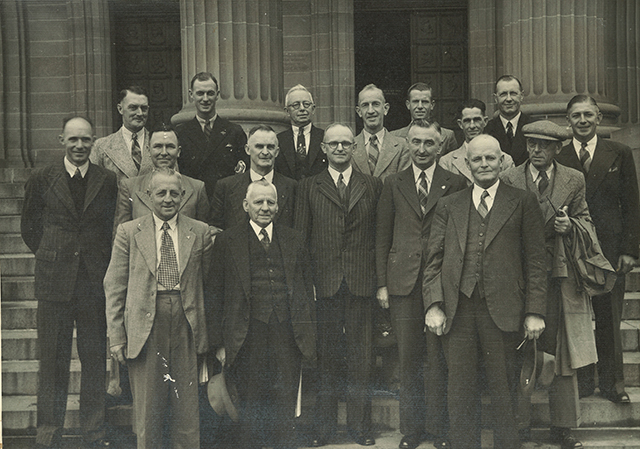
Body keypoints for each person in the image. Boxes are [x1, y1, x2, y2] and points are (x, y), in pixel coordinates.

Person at [423, 134, 547, 449]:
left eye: (490, 158)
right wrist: (434, 305)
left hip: (504, 310)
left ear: (502, 160)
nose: (484, 164)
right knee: (460, 391)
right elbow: (433, 261)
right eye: (477, 159)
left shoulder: (522, 201)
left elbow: (535, 261)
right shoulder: (449, 204)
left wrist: (534, 311)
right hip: (459, 309)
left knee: (504, 391)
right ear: (467, 164)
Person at [501, 120, 616, 449]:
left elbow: (586, 220)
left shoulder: (573, 178)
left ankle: (563, 426)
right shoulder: (509, 176)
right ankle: (520, 424)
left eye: (543, 145)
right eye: (531, 144)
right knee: (521, 348)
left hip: (559, 275)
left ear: (557, 149)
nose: (536, 150)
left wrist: (571, 225)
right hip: (518, 273)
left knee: (560, 352)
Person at [21, 116, 117, 448]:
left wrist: (96, 264)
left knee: (93, 360)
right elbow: (29, 227)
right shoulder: (42, 177)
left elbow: (108, 228)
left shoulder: (106, 180)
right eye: (73, 140)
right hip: (54, 282)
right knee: (52, 360)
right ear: (62, 140)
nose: (79, 146)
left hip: (92, 283)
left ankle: (94, 432)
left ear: (94, 143)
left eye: (86, 140)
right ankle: (49, 433)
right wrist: (52, 254)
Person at [105, 168, 213, 449]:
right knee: (147, 409)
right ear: (148, 195)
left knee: (187, 408)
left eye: (174, 193)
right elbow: (115, 285)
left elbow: (210, 283)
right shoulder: (129, 232)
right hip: (144, 322)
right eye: (161, 193)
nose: (168, 199)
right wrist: (116, 336)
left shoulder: (199, 232)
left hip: (186, 321)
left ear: (183, 196)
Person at [376, 120, 466, 449]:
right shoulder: (393, 182)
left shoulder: (455, 183)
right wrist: (382, 285)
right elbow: (382, 235)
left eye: (429, 143)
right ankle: (412, 431)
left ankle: (439, 430)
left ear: (440, 147)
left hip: (441, 283)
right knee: (409, 358)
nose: (422, 149)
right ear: (407, 145)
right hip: (402, 284)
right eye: (416, 142)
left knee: (438, 359)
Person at [209, 179, 317, 449]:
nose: (265, 207)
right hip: (246, 335)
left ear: (278, 206)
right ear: (246, 205)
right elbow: (214, 294)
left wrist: (306, 334)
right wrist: (219, 343)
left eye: (271, 202)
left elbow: (305, 289)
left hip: (286, 333)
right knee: (249, 402)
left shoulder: (295, 239)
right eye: (258, 202)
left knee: (284, 402)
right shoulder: (226, 241)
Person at [295, 123, 383, 447]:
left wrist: (377, 281)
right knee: (325, 358)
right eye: (334, 144)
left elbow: (378, 236)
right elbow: (301, 240)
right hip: (324, 282)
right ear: (324, 149)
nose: (340, 148)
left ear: (354, 148)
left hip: (361, 281)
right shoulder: (309, 186)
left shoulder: (373, 185)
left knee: (362, 357)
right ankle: (324, 429)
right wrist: (308, 284)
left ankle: (361, 428)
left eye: (346, 143)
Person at [556, 95, 640, 403]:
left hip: (609, 249)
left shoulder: (619, 152)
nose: (582, 120)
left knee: (609, 317)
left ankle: (613, 386)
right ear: (568, 121)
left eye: (587, 114)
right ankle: (583, 384)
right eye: (576, 115)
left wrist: (630, 249)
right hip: (572, 248)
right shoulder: (560, 156)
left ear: (598, 118)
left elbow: (632, 204)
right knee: (576, 318)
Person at [114, 127, 210, 227]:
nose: (164, 152)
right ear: (148, 150)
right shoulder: (130, 187)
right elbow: (121, 235)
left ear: (178, 151)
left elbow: (203, 234)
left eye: (170, 146)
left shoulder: (197, 188)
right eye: (158, 146)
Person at [210, 125, 297, 234]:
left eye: (270, 147)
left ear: (277, 151)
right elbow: (216, 230)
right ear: (247, 149)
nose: (265, 152)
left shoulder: (292, 187)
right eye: (259, 147)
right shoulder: (226, 186)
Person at [176, 72, 249, 199]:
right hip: (193, 199)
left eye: (210, 93)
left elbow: (244, 173)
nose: (205, 99)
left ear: (217, 95)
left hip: (225, 200)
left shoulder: (234, 131)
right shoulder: (180, 132)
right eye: (200, 93)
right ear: (191, 95)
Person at [439, 99, 515, 184]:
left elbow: (509, 193)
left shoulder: (505, 160)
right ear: (460, 124)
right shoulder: (447, 162)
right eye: (467, 121)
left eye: (477, 120)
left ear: (485, 121)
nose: (472, 126)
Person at [91, 86, 154, 182]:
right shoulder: (101, 146)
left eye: (144, 108)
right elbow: (93, 185)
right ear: (120, 109)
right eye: (133, 108)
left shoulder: (159, 143)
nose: (140, 113)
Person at [352, 84, 410, 182]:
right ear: (359, 112)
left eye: (375, 104)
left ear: (385, 108)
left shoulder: (402, 146)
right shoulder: (350, 146)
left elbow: (404, 185)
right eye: (365, 105)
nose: (370, 111)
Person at [390, 82, 458, 156]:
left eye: (424, 102)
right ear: (408, 105)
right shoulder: (394, 136)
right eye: (415, 101)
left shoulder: (447, 136)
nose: (420, 106)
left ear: (432, 105)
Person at [275, 85, 327, 180]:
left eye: (306, 104)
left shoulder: (325, 137)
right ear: (287, 111)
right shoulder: (278, 140)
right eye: (296, 105)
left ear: (313, 109)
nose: (302, 108)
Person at [484, 75, 531, 166]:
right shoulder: (486, 130)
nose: (509, 99)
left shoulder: (534, 126)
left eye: (513, 93)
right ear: (495, 98)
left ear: (521, 96)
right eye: (503, 94)